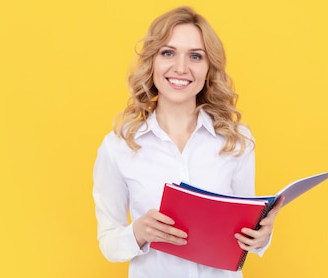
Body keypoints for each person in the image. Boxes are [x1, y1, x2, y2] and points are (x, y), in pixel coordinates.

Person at [93, 6, 283, 278]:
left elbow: (247, 230)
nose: (180, 68)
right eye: (168, 53)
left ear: (208, 69)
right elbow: (109, 242)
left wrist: (262, 237)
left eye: (195, 56)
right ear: (152, 62)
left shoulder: (236, 140)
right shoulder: (118, 146)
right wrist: (139, 232)